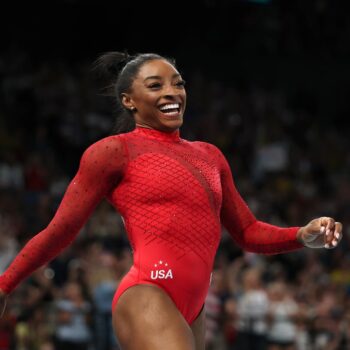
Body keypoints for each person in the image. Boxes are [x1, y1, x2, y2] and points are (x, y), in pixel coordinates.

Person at [0, 51, 343, 350]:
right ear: (128, 100)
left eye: (178, 83)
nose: (172, 92)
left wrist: (300, 235)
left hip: (193, 307)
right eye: (155, 85)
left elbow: (248, 232)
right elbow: (60, 231)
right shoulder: (114, 152)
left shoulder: (210, 155)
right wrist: (5, 284)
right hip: (148, 292)